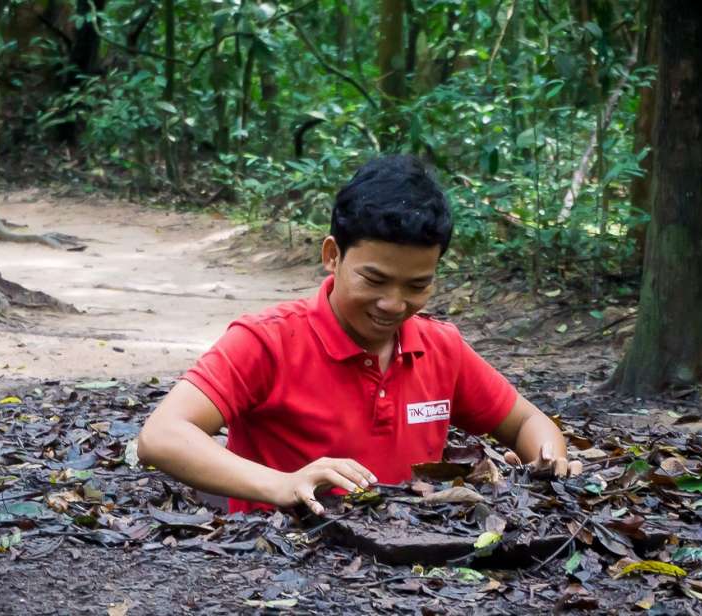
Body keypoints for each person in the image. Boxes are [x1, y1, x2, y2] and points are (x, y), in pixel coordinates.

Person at [137, 155, 581, 515]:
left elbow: (527, 421)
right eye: (374, 279)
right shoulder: (267, 341)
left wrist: (547, 459)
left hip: (412, 572)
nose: (393, 304)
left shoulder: (441, 347)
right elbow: (161, 436)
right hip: (277, 565)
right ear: (333, 256)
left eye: (417, 285)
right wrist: (284, 485)